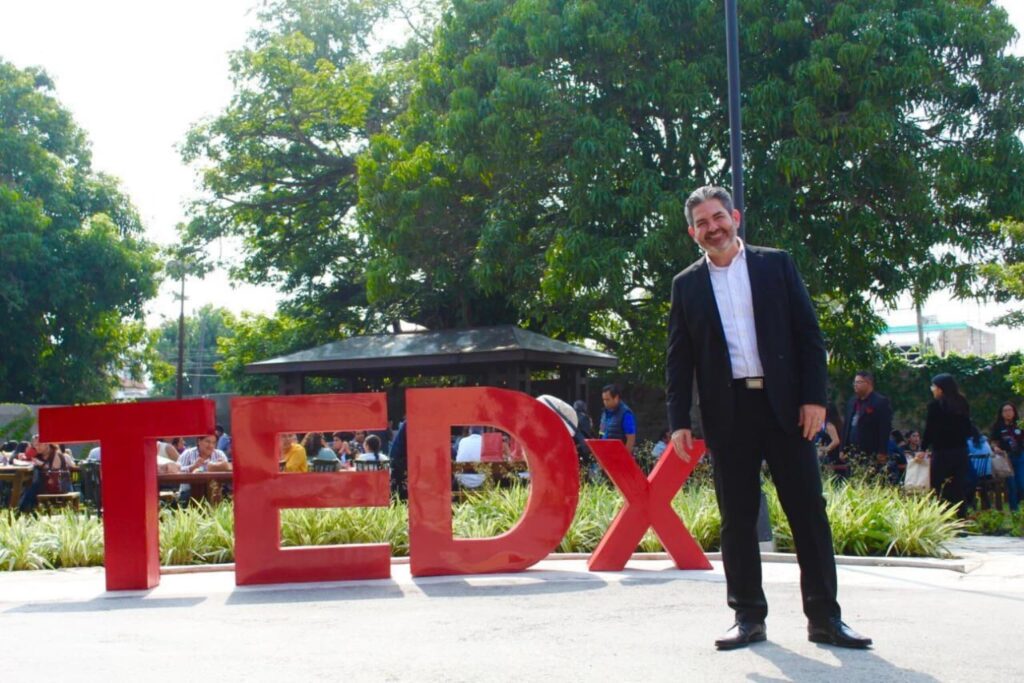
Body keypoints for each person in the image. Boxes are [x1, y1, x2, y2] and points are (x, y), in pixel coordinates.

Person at [665, 186, 870, 650]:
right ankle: (747, 618)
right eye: (702, 223)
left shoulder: (776, 264)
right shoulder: (686, 285)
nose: (712, 228)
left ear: (734, 216)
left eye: (718, 217)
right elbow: (679, 360)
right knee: (736, 519)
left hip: (788, 410)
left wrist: (816, 399)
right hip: (728, 412)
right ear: (692, 231)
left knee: (808, 514)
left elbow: (809, 337)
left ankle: (825, 619)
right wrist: (680, 419)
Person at [921, 373, 973, 518]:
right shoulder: (962, 403)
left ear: (941, 389)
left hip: (941, 452)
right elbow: (968, 429)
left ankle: (944, 520)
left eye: (934, 386)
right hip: (960, 451)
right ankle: (961, 521)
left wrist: (923, 448)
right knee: (958, 487)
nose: (932, 389)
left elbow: (929, 430)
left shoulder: (935, 406)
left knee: (939, 487)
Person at [841, 371, 892, 474]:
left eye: (859, 382)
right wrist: (842, 449)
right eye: (854, 382)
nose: (855, 385)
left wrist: (882, 451)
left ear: (868, 383)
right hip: (851, 449)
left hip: (871, 450)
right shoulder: (852, 401)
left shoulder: (880, 401)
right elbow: (846, 426)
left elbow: (884, 428)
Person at [990, 402, 1023, 512]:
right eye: (1005, 411)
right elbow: (993, 442)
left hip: (1020, 457)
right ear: (1001, 413)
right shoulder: (997, 426)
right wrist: (995, 448)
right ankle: (1014, 511)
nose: (1008, 413)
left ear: (1014, 412)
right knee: (1011, 486)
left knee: (1021, 484)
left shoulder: (1020, 425)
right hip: (1005, 458)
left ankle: (1019, 505)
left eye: (1010, 410)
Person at [599, 384, 636, 456]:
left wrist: (624, 458)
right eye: (603, 400)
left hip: (619, 456)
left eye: (607, 399)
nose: (605, 402)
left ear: (616, 398)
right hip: (606, 456)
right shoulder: (604, 413)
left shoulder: (626, 413)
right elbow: (601, 434)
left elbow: (631, 439)